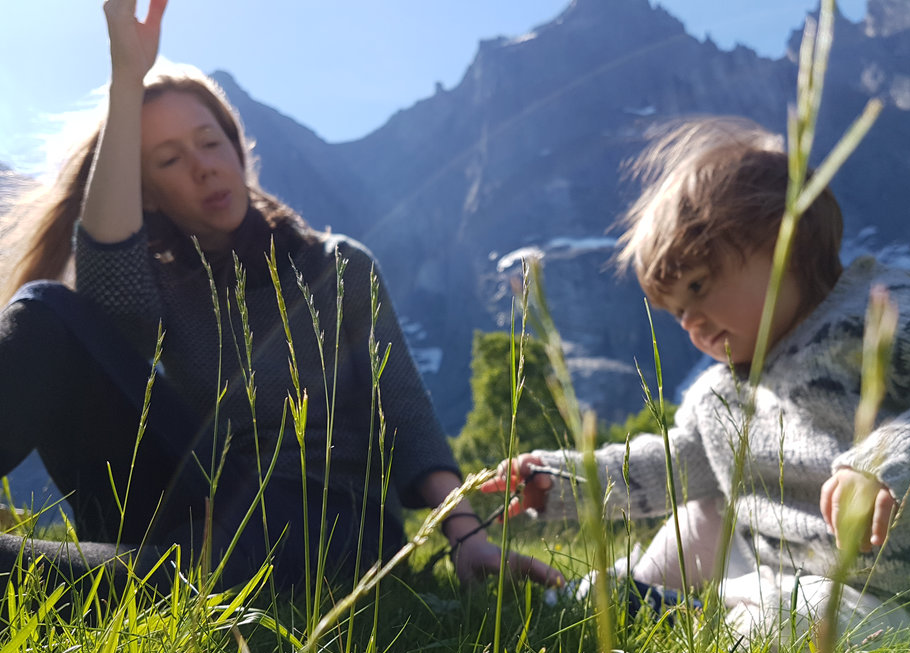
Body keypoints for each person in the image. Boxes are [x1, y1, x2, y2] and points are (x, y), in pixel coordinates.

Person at [0, 0, 561, 595]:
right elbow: (107, 298)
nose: (203, 168)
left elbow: (405, 410)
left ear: (238, 152)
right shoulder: (161, 288)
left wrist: (466, 534)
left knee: (179, 565)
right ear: (151, 197)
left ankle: (121, 577)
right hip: (205, 497)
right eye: (169, 159)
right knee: (47, 311)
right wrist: (126, 82)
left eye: (210, 144)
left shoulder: (335, 265)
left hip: (330, 522)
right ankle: (132, 574)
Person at [484, 116, 910, 635]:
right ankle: (621, 595)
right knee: (703, 511)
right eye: (675, 313)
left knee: (809, 616)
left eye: (697, 287)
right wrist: (565, 482)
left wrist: (890, 460)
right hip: (793, 565)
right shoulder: (725, 393)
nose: (690, 322)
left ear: (787, 242)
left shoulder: (884, 314)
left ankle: (692, 621)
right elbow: (671, 464)